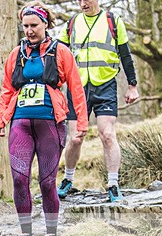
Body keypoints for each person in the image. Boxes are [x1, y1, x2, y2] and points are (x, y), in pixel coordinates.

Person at [0, 2, 88, 236]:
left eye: (34, 25)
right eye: (25, 26)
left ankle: (51, 234)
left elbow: (76, 88)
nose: (29, 30)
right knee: (18, 179)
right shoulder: (16, 54)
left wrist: (82, 121)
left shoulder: (61, 51)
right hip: (21, 123)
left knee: (47, 182)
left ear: (45, 24)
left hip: (50, 122)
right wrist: (1, 119)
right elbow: (7, 90)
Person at [56, 0, 139, 203]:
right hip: (77, 88)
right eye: (80, 0)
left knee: (108, 135)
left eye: (87, 0)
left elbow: (125, 55)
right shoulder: (71, 23)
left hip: (105, 85)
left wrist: (132, 85)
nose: (83, 3)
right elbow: (58, 57)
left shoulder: (112, 21)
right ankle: (68, 179)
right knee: (75, 138)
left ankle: (113, 184)